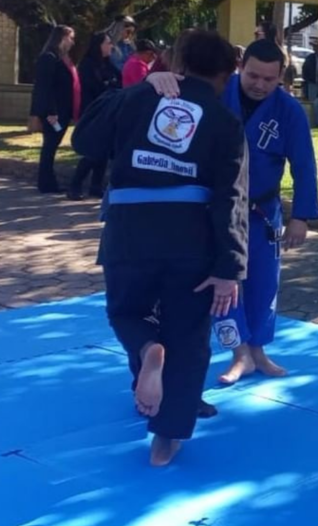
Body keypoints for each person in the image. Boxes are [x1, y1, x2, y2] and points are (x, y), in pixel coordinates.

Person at [71, 29, 250, 467]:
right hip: (190, 238)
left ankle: (147, 349)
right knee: (188, 334)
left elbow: (84, 141)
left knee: (127, 313)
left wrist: (136, 89)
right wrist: (230, 266)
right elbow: (232, 196)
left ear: (177, 62)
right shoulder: (224, 121)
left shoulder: (138, 98)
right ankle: (166, 438)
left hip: (129, 232)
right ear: (226, 75)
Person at [146, 38, 318, 384]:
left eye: (269, 79)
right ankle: (238, 353)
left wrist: (300, 217)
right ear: (240, 67)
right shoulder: (215, 92)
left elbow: (304, 164)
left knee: (264, 282)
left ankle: (258, 351)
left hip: (262, 210)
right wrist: (154, 78)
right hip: (216, 210)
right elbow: (167, 92)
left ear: (281, 76)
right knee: (224, 282)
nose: (259, 85)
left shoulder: (289, 110)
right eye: (253, 75)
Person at [68, 30, 121, 200]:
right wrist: (108, 86)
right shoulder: (88, 65)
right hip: (93, 112)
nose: (111, 46)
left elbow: (118, 82)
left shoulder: (109, 64)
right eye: (107, 43)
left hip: (109, 111)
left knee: (104, 150)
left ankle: (96, 186)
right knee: (92, 151)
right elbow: (93, 88)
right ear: (98, 45)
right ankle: (75, 185)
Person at [28, 24, 79, 194]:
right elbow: (44, 88)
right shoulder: (48, 58)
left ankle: (49, 181)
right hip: (54, 112)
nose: (72, 42)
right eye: (70, 38)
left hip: (63, 110)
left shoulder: (61, 58)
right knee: (49, 146)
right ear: (62, 38)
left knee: (52, 146)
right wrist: (51, 112)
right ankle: (46, 183)